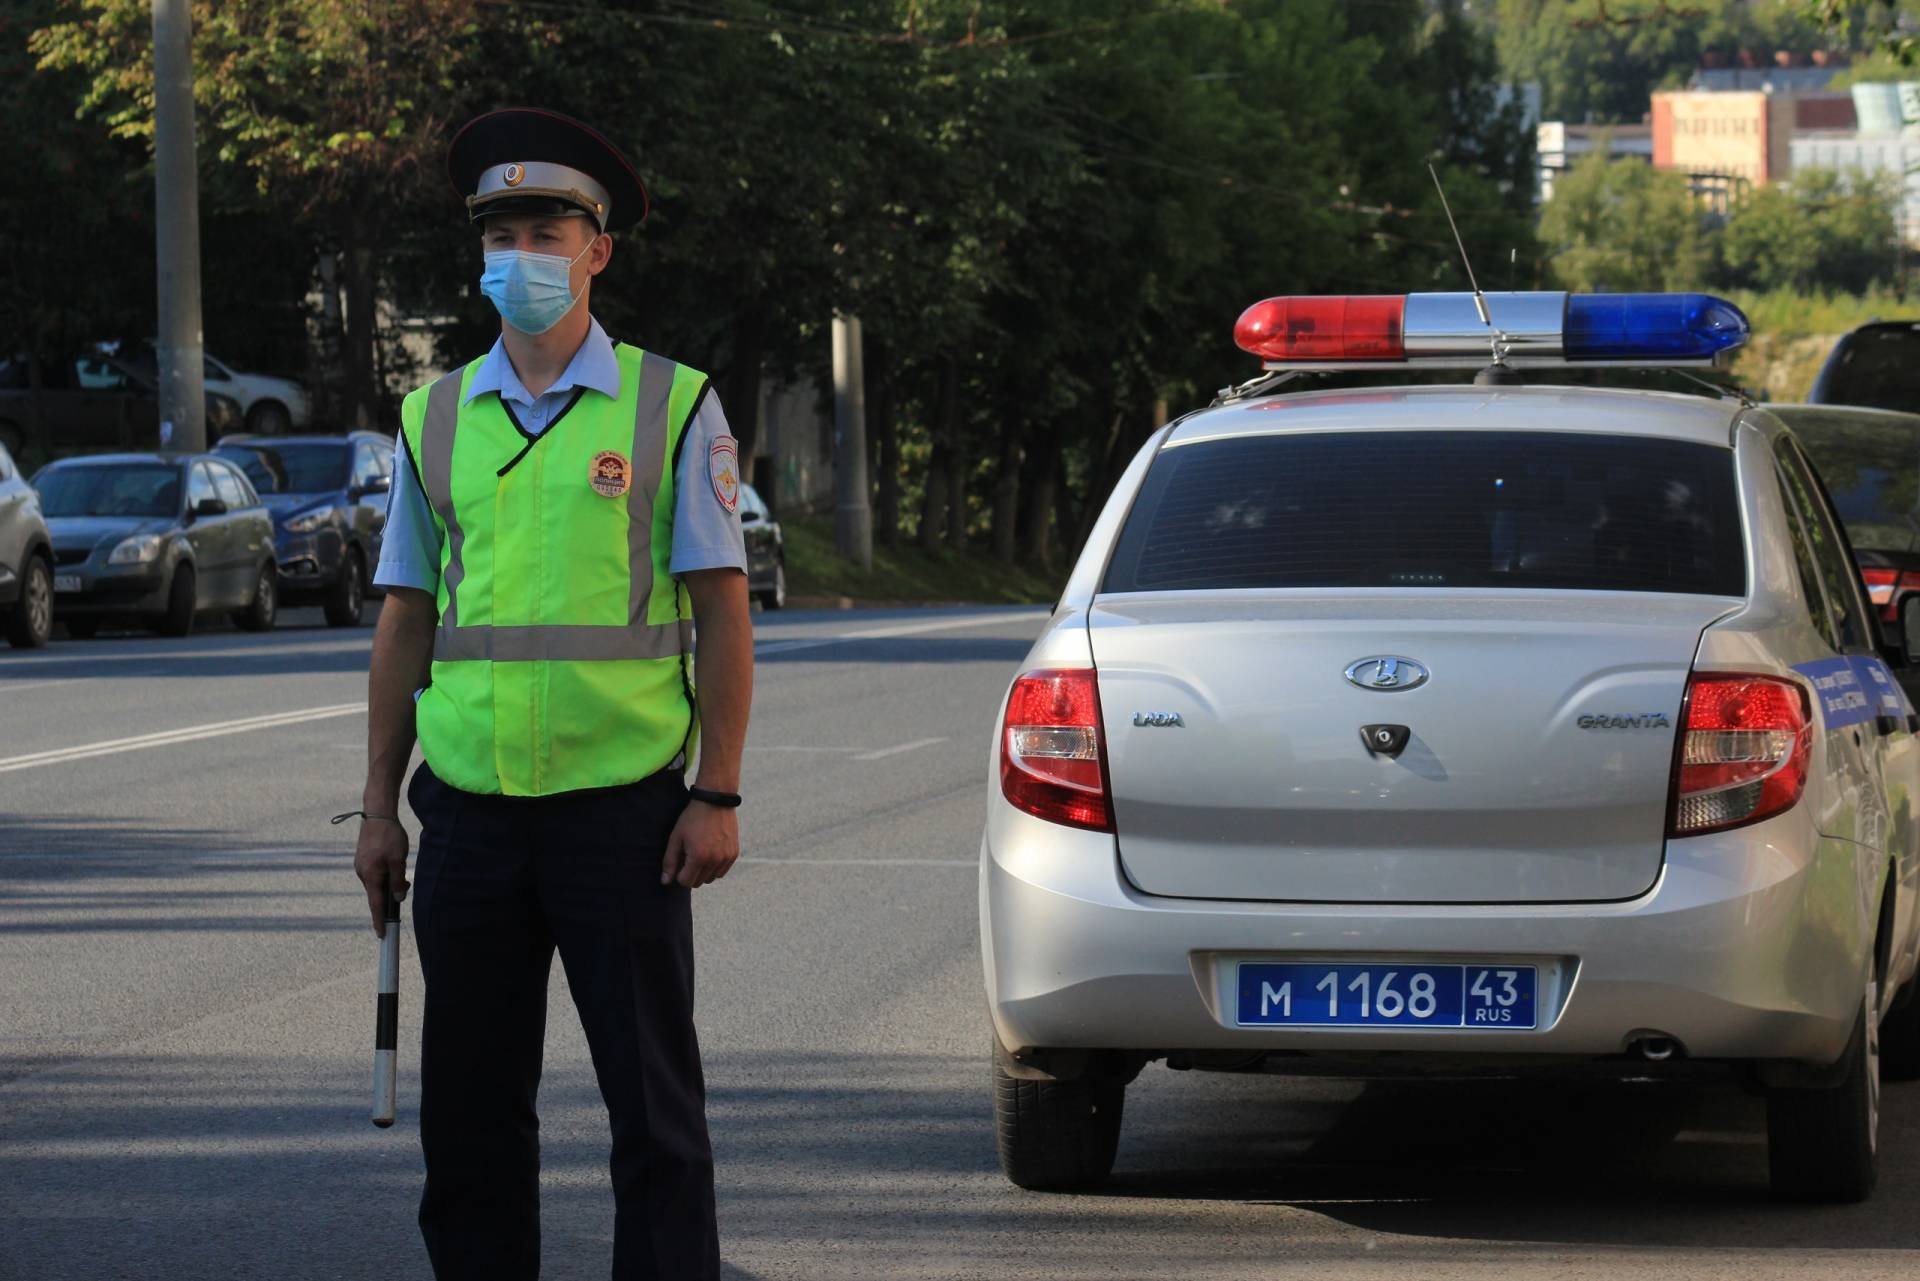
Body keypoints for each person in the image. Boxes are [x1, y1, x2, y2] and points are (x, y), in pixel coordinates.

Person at [345, 107, 751, 1281]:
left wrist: (717, 791)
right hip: (469, 815)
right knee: (469, 1122)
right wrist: (379, 807)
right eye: (501, 235)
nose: (519, 256)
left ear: (596, 252)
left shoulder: (671, 403)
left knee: (655, 1116)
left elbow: (723, 611)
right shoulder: (432, 417)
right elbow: (405, 619)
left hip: (623, 817)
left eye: (546, 233)